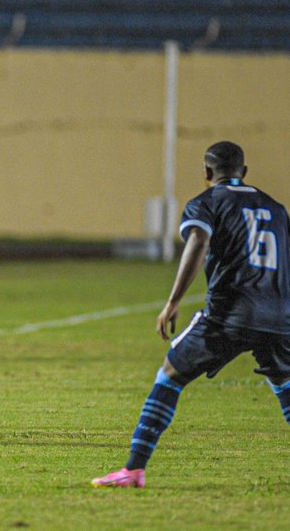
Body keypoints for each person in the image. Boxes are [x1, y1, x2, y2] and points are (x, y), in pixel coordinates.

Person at [92, 141, 290, 488]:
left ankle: (134, 470)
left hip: (229, 314)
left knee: (169, 375)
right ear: (244, 172)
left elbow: (198, 240)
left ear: (206, 173)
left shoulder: (207, 202)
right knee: (286, 386)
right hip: (279, 314)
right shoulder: (276, 208)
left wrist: (172, 301)